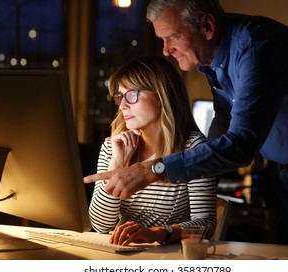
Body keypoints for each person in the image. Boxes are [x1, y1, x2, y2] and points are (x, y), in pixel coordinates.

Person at [84, 0, 288, 257]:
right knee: (286, 258)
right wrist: (198, 169)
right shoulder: (212, 60)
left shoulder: (256, 48)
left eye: (173, 37)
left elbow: (241, 144)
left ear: (208, 27)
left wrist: (155, 169)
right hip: (287, 169)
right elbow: (224, 124)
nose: (166, 50)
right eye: (162, 39)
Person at [89, 55, 216, 246]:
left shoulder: (193, 149)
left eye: (132, 94)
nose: (123, 105)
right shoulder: (113, 146)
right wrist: (116, 164)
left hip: (166, 257)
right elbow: (101, 225)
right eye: (120, 96)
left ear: (162, 95)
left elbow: (205, 226)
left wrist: (157, 233)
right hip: (121, 253)